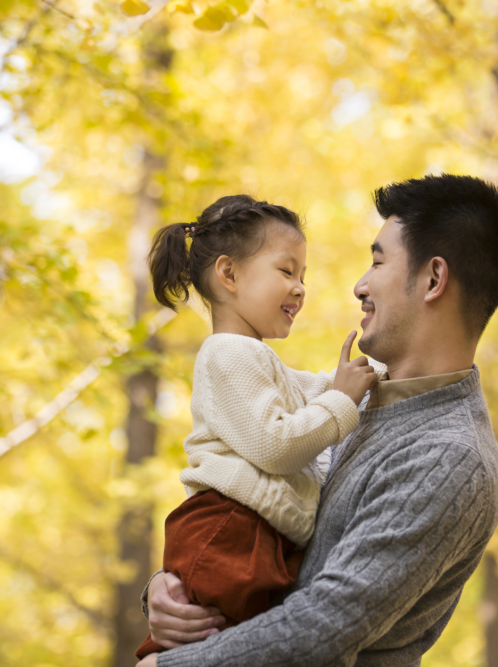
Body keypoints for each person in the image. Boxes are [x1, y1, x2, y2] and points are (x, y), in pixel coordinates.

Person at [136, 174, 498, 667]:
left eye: (378, 261)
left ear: (433, 279)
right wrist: (168, 593)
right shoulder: (360, 400)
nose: (359, 285)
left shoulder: (448, 457)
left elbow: (322, 627)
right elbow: (255, 512)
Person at [134, 195, 381, 659]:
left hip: (253, 533)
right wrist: (342, 400)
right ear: (228, 274)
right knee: (199, 637)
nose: (301, 288)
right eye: (287, 272)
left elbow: (318, 389)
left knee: (222, 640)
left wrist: (369, 377)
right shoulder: (226, 353)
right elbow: (276, 444)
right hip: (230, 528)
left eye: (303, 276)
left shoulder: (259, 361)